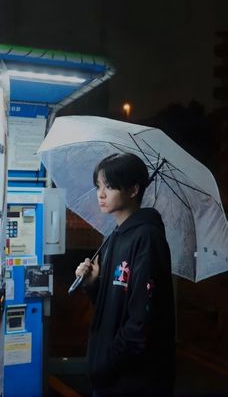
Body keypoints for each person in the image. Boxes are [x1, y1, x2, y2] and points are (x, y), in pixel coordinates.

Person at [75, 152, 175, 397]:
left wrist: (107, 360)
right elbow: (112, 306)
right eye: (99, 186)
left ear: (132, 191)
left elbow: (141, 320)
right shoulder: (114, 237)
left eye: (109, 186)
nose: (101, 194)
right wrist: (93, 283)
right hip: (109, 378)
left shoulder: (147, 238)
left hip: (131, 381)